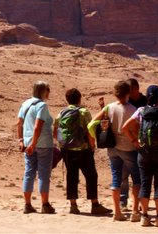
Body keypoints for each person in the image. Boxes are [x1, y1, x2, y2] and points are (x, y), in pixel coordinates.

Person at [122, 85, 158, 227]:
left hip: (144, 152)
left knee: (145, 182)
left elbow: (125, 127)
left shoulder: (141, 110)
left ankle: (145, 216)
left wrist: (135, 141)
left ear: (147, 96)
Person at [54, 88, 111, 215]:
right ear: (79, 99)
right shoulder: (84, 112)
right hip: (83, 149)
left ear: (67, 100)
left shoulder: (61, 113)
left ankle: (73, 206)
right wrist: (92, 146)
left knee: (72, 176)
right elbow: (89, 130)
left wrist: (65, 144)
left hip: (66, 150)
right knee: (91, 175)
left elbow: (55, 133)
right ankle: (95, 204)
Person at [91, 80, 142, 223]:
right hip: (129, 148)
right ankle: (135, 212)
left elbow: (93, 121)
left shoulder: (109, 107)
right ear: (128, 93)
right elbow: (137, 129)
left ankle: (117, 212)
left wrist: (100, 133)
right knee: (137, 179)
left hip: (112, 148)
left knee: (116, 179)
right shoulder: (133, 109)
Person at [17, 81, 56, 214]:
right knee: (44, 174)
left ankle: (27, 204)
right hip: (43, 144)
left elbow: (19, 123)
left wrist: (21, 141)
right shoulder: (42, 105)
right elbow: (38, 126)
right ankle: (45, 204)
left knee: (29, 173)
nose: (49, 93)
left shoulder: (25, 104)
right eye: (48, 90)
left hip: (28, 145)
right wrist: (34, 143)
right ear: (43, 91)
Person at [121, 78, 146, 209]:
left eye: (129, 90)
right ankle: (123, 201)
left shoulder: (146, 101)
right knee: (124, 173)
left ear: (136, 89)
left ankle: (141, 201)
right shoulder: (126, 101)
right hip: (127, 141)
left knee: (141, 174)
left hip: (141, 143)